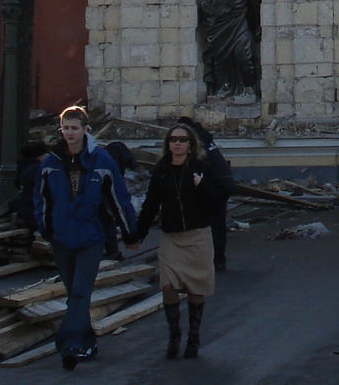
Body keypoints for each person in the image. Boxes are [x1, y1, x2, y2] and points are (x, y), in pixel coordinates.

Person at [33, 106, 136, 371]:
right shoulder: (50, 163)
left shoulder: (101, 160)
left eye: (74, 128)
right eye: (65, 128)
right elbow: (41, 198)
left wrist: (129, 232)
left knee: (80, 292)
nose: (69, 133)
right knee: (73, 294)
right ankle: (87, 341)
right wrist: (45, 228)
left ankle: (70, 345)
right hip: (62, 237)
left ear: (85, 130)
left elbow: (118, 198)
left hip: (91, 236)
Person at [129, 123, 225, 359]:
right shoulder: (162, 170)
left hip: (197, 234)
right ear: (168, 144)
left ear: (190, 144)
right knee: (168, 285)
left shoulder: (202, 168)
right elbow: (151, 204)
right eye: (173, 140)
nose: (178, 144)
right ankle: (174, 334)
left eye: (182, 140)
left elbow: (218, 199)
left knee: (195, 287)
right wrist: (137, 235)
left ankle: (194, 336)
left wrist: (201, 185)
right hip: (172, 236)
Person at [196, 0, 263, 97]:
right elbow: (203, 2)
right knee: (220, 59)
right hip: (219, 26)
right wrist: (214, 10)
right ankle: (222, 88)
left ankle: (248, 86)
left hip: (239, 22)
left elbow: (254, 1)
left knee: (243, 55)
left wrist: (256, 24)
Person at [177, 116, 236, 270]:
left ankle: (210, 260)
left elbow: (195, 168)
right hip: (223, 183)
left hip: (214, 186)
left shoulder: (196, 143)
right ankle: (218, 259)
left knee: (206, 224)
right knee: (217, 224)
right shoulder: (204, 138)